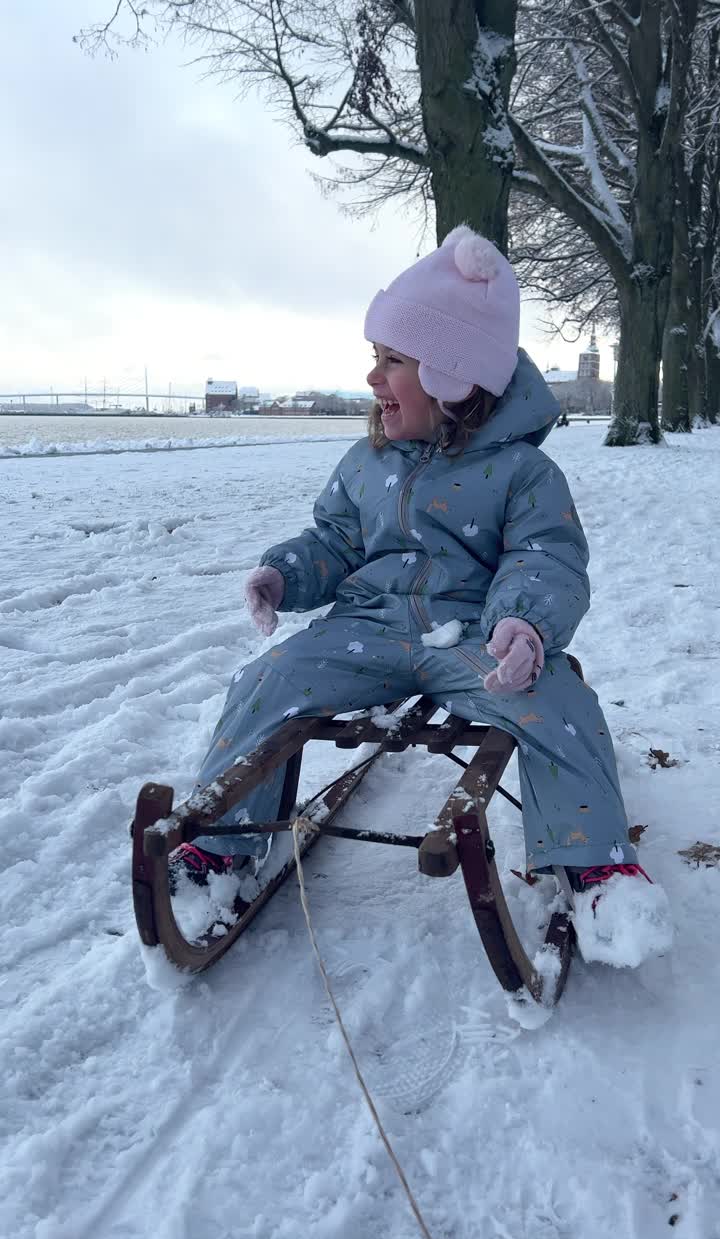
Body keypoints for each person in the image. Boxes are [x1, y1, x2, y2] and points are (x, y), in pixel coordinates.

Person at [171, 226, 672, 968]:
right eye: (375, 359)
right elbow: (336, 542)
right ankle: (224, 848)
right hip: (365, 629)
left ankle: (595, 867)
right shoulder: (366, 460)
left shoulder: (522, 475)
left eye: (392, 361)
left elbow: (546, 559)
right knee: (263, 683)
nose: (374, 379)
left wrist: (522, 628)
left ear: (453, 376)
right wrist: (286, 573)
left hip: (475, 637)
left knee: (558, 703)